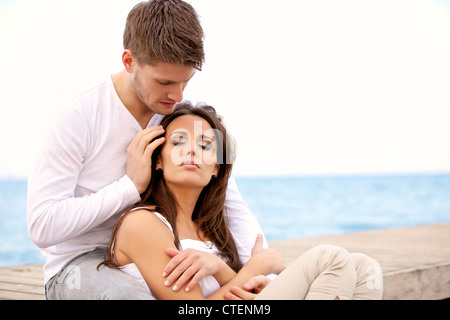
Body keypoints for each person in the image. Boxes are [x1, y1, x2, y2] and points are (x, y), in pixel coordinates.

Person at [26, 0, 267, 300]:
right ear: (129, 61)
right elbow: (42, 224)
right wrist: (129, 187)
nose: (177, 95)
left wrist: (262, 269)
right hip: (83, 262)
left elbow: (229, 199)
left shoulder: (178, 116)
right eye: (164, 82)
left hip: (160, 250)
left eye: (185, 81)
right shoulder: (78, 116)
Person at [101, 102, 383, 300]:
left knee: (364, 268)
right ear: (158, 160)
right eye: (178, 141)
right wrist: (256, 268)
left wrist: (225, 270)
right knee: (330, 258)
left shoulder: (212, 229)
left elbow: (236, 291)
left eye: (205, 145)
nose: (190, 150)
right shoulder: (143, 223)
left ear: (216, 169)